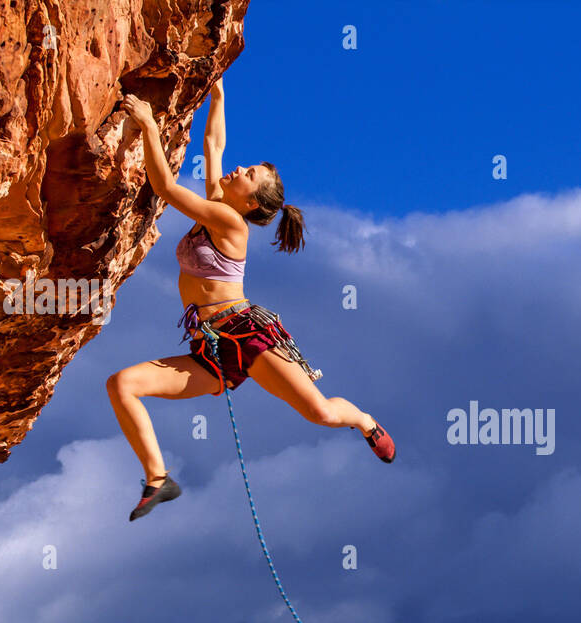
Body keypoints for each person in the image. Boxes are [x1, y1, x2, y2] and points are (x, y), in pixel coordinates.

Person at [109, 80, 395, 522]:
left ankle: (364, 420)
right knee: (122, 384)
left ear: (251, 201)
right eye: (246, 167)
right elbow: (213, 143)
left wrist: (147, 122)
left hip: (247, 333)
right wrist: (218, 92)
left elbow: (164, 187)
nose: (239, 169)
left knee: (318, 412)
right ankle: (158, 478)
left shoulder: (229, 222)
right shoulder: (218, 205)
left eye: (250, 176)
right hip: (211, 346)